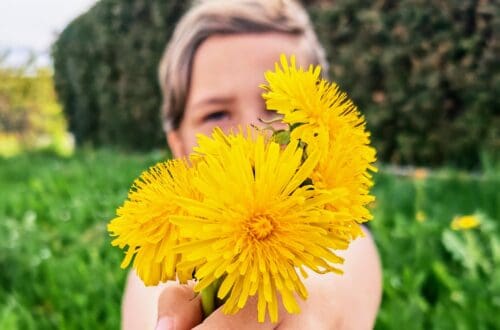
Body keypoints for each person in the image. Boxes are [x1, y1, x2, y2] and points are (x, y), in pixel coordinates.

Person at [122, 0, 382, 329]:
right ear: (178, 145)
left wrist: (324, 305)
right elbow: (150, 294)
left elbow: (352, 263)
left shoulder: (338, 233)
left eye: (280, 113)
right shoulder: (159, 250)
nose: (252, 137)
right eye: (216, 114)